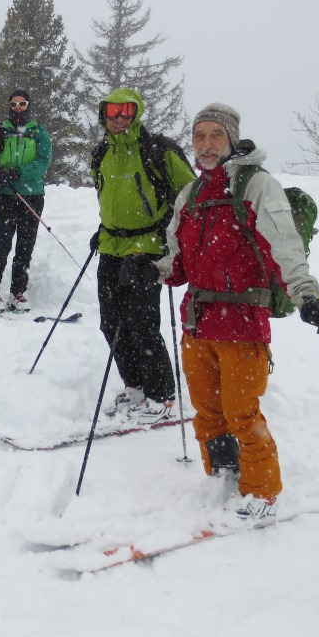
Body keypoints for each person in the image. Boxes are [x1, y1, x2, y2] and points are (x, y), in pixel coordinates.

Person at [151, 102, 319, 523]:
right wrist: (149, 269)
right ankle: (223, 472)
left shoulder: (256, 185)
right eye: (199, 135)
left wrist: (309, 298)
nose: (205, 144)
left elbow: (285, 244)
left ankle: (262, 492)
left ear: (232, 139)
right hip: (197, 322)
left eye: (215, 135)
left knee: (242, 412)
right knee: (207, 411)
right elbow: (176, 261)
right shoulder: (191, 193)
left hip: (242, 323)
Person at [88, 88, 196, 419]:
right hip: (112, 246)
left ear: (137, 113)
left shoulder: (157, 151)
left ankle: (161, 394)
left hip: (147, 248)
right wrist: (105, 229)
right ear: (103, 114)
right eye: (112, 111)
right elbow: (110, 197)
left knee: (141, 323)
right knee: (111, 322)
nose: (119, 118)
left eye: (126, 111)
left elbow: (190, 196)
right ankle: (134, 385)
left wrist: (168, 236)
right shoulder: (101, 153)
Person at [0, 90, 52, 313]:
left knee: (25, 246)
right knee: (2, 245)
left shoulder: (38, 132)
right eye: (14, 104)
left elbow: (43, 162)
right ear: (9, 106)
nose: (18, 108)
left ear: (28, 105)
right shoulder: (0, 132)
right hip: (5, 196)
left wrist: (17, 172)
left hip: (31, 195)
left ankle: (17, 292)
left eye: (22, 103)